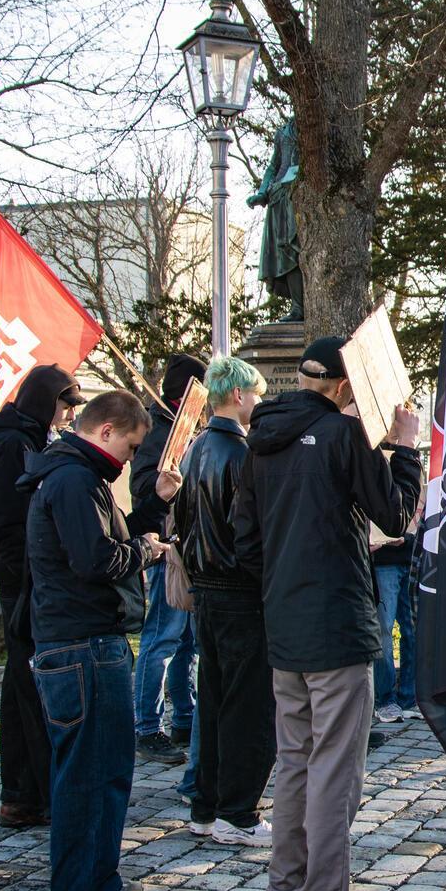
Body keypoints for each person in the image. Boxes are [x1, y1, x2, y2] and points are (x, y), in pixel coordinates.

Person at [234, 337, 423, 891]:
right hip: (336, 624)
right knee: (335, 769)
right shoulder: (344, 437)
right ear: (345, 387)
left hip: (285, 623)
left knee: (294, 763)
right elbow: (397, 516)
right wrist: (403, 448)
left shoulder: (259, 441)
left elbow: (246, 542)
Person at [20, 390, 176, 891]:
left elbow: (104, 541)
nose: (131, 458)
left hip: (80, 642)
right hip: (83, 645)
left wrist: (155, 501)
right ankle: (85, 884)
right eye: (131, 447)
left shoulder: (74, 476)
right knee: (94, 770)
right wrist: (147, 552)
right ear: (106, 430)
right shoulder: (73, 479)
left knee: (94, 767)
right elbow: (94, 558)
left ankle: (86, 878)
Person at [0, 364, 84, 828]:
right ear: (45, 402)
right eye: (62, 406)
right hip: (20, 583)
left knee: (23, 689)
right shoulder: (10, 445)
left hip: (27, 579)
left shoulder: (29, 440)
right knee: (29, 689)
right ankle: (32, 792)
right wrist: (32, 573)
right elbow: (2, 526)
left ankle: (24, 794)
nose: (65, 416)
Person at [173, 356, 275, 846]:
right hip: (238, 590)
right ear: (238, 396)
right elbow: (249, 532)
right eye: (254, 394)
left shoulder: (195, 449)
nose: (258, 401)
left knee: (214, 700)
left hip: (207, 589)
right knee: (248, 706)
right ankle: (238, 811)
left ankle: (207, 805)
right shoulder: (240, 454)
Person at [132, 353, 207, 765]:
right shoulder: (158, 430)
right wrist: (166, 482)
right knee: (162, 638)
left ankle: (184, 715)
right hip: (166, 548)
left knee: (188, 644)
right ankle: (146, 725)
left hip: (191, 547)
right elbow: (145, 485)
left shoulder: (191, 429)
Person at [373, 497, 424, 723]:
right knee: (384, 630)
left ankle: (409, 697)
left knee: (414, 629)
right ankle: (385, 699)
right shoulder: (377, 463)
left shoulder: (413, 464)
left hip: (412, 555)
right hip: (384, 558)